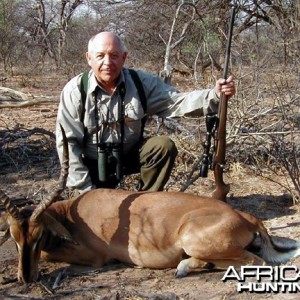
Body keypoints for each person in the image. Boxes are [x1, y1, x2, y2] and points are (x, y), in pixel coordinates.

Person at [56, 31, 236, 194]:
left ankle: (145, 203)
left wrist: (214, 95)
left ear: (124, 57)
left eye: (114, 55)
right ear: (88, 58)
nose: (107, 63)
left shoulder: (141, 82)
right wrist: (86, 192)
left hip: (128, 156)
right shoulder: (75, 90)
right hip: (91, 165)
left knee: (163, 146)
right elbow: (67, 146)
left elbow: (176, 101)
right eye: (100, 56)